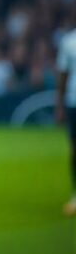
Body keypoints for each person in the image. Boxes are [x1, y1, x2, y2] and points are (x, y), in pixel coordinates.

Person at [55, 26, 76, 216]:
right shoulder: (69, 42)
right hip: (74, 101)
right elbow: (63, 74)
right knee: (74, 149)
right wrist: (60, 104)